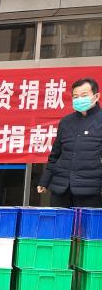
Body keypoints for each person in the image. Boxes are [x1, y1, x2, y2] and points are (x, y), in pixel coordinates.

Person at [37, 77, 102, 208]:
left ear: (96, 96)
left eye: (84, 95)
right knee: (60, 221)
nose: (79, 99)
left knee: (86, 222)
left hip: (91, 190)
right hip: (61, 189)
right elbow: (55, 155)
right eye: (75, 96)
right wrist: (45, 181)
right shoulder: (66, 122)